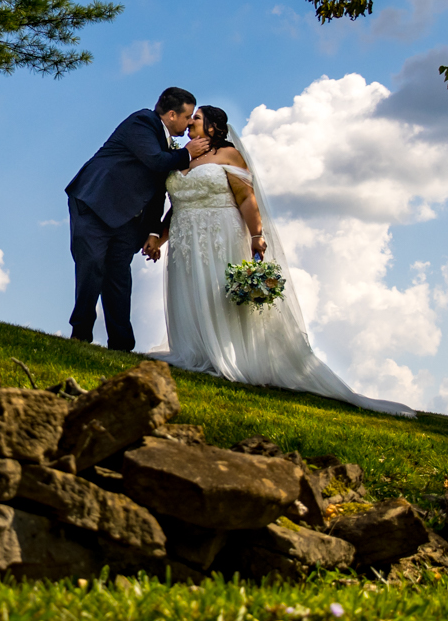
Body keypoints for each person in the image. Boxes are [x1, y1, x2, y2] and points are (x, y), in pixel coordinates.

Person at [143, 105, 416, 417]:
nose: (191, 122)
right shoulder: (182, 158)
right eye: (190, 118)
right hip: (184, 238)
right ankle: (197, 351)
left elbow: (246, 197)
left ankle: (231, 355)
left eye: (197, 118)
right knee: (190, 292)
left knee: (218, 293)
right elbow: (177, 204)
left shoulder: (229, 155)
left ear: (214, 128)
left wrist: (256, 235)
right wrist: (158, 238)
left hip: (219, 234)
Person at [64, 87, 212, 349]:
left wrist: (153, 232)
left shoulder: (168, 144)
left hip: (126, 218)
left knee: (119, 277)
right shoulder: (142, 122)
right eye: (188, 116)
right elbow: (156, 162)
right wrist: (188, 153)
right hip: (94, 204)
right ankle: (81, 333)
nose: (190, 122)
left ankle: (122, 344)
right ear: (170, 114)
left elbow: (157, 192)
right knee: (92, 266)